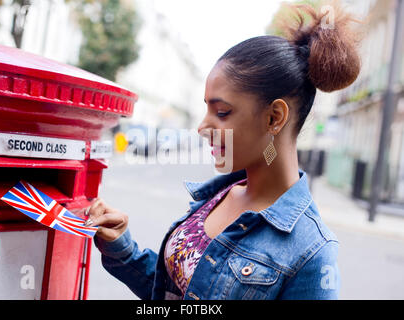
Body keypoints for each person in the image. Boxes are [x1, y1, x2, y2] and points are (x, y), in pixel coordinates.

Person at [85, 1, 361, 300]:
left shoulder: (311, 252)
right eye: (207, 110)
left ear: (274, 118)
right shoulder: (219, 196)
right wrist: (124, 249)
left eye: (223, 112)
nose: (203, 127)